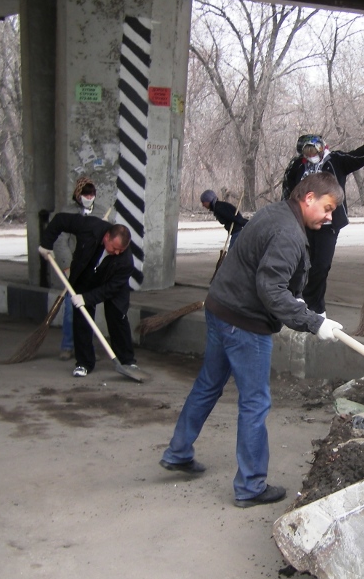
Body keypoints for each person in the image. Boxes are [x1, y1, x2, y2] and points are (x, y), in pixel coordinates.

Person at [160, 172, 346, 508]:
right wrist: (313, 321)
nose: (330, 217)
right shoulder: (289, 233)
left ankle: (178, 452)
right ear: (309, 199)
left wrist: (295, 300)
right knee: (255, 403)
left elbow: (267, 275)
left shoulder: (274, 212)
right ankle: (250, 486)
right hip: (245, 323)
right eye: (328, 208)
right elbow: (270, 288)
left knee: (208, 384)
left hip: (220, 307)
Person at [280, 134, 364, 315]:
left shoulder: (335, 160)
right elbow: (288, 191)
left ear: (321, 148)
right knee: (299, 264)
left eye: (313, 152)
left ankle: (315, 308)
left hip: (328, 225)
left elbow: (355, 157)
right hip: (302, 223)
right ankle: (295, 300)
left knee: (321, 267)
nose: (311, 156)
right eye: (307, 153)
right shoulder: (297, 166)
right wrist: (286, 215)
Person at [38, 218, 136, 377]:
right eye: (115, 248)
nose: (118, 252)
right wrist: (46, 244)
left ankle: (127, 360)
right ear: (107, 237)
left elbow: (111, 289)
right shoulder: (90, 227)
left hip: (111, 282)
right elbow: (60, 220)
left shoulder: (126, 261)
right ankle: (84, 363)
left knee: (118, 315)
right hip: (86, 274)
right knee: (82, 317)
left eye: (121, 250)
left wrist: (87, 298)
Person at [54, 176, 97, 361]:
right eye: (86, 194)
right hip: (73, 268)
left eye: (92, 194)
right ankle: (68, 345)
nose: (89, 197)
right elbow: (60, 241)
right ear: (78, 194)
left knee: (88, 309)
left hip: (92, 268)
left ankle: (86, 348)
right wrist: (67, 266)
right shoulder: (68, 214)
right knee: (71, 308)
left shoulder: (100, 212)